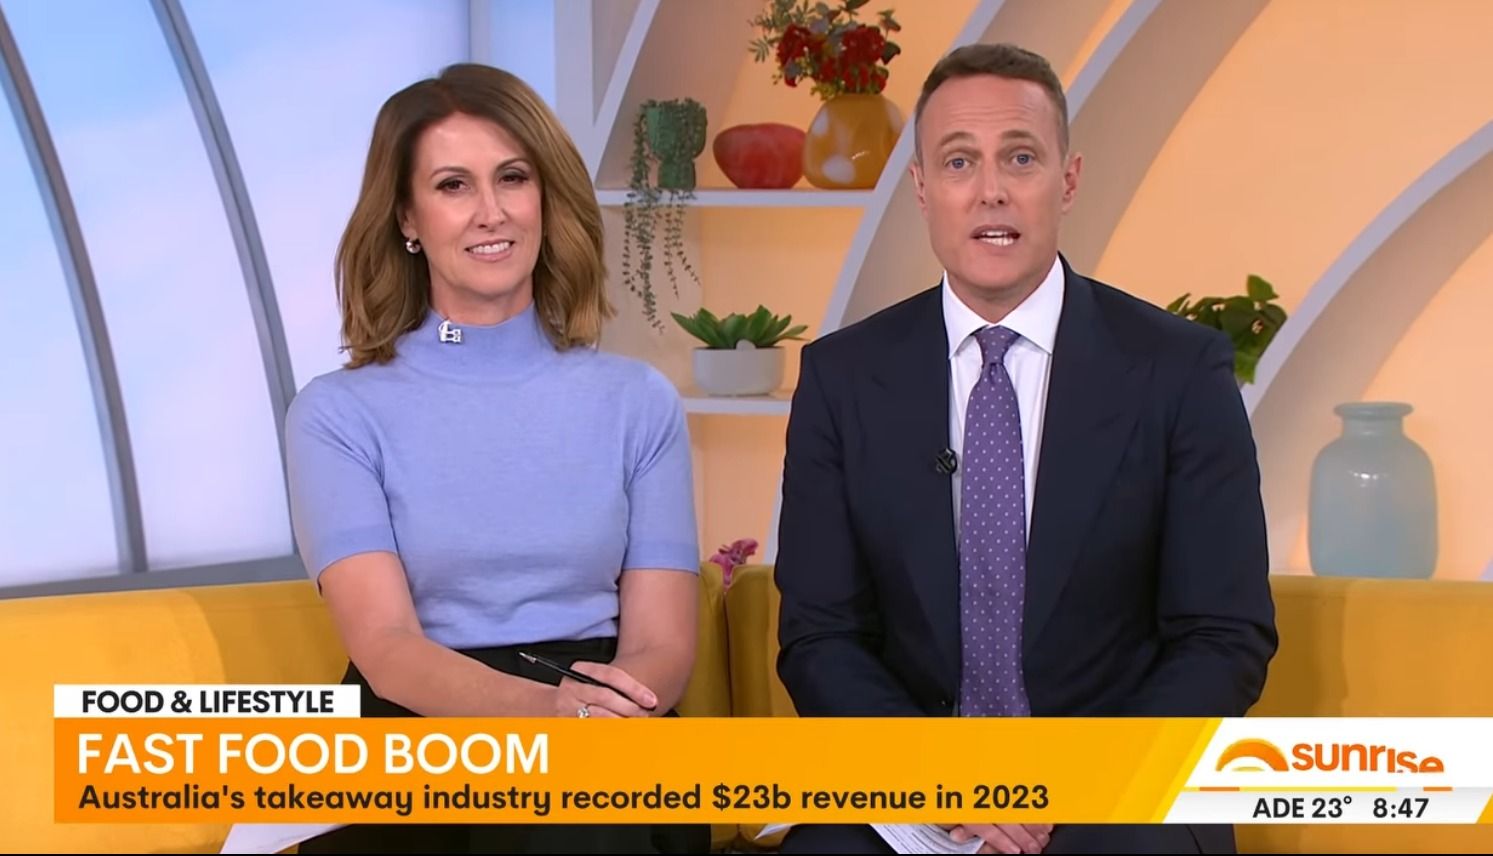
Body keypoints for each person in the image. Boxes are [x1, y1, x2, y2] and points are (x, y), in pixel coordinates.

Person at [773, 43, 1277, 855]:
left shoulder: (1178, 370)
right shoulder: (843, 378)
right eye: (958, 162)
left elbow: (1222, 635)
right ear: (921, 189)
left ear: (1066, 181)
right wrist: (939, 778)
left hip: (1111, 790)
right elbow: (819, 636)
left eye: (1019, 157)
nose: (991, 191)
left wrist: (1065, 787)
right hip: (916, 786)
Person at [285, 63, 707, 854]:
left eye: (512, 177)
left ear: (544, 197)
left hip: (605, 710)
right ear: (406, 217)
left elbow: (663, 643)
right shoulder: (336, 414)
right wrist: (543, 719)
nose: (492, 211)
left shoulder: (637, 401)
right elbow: (388, 649)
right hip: (417, 722)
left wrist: (601, 716)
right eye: (453, 185)